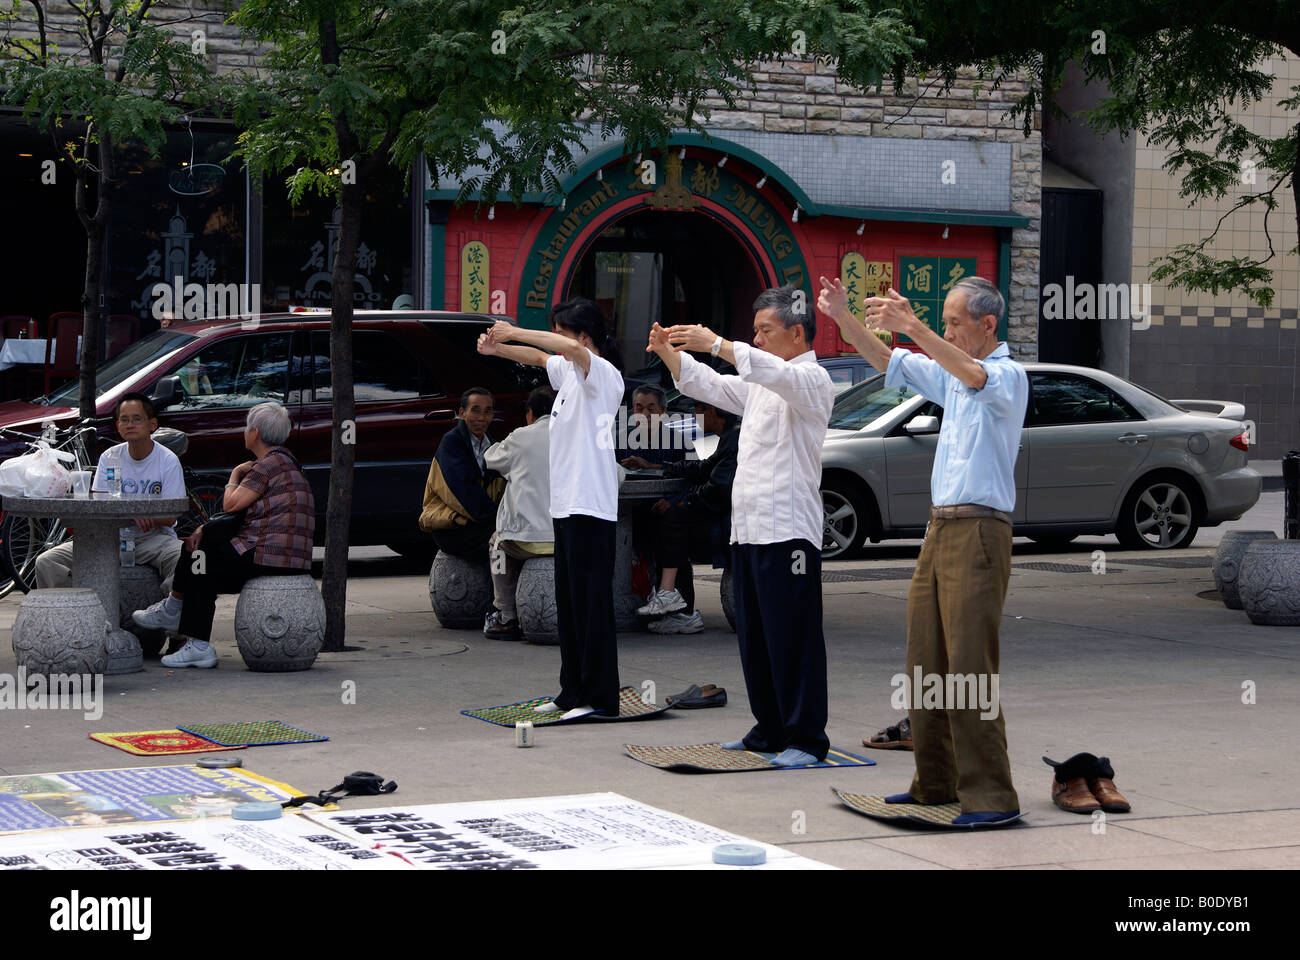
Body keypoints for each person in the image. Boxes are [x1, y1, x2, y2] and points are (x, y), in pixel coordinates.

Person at [818, 273, 1028, 825]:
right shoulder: (952, 376)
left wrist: (913, 326)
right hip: (940, 529)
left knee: (968, 668)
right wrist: (843, 317)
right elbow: (887, 362)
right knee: (925, 661)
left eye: (955, 323)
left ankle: (992, 796)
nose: (949, 331)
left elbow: (974, 374)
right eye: (945, 322)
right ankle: (935, 783)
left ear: (988, 324)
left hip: (980, 530)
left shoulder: (1005, 376)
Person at [650, 284, 834, 766]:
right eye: (753, 332)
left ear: (797, 333)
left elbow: (765, 369)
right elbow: (711, 386)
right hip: (750, 530)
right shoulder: (759, 386)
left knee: (793, 638)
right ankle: (770, 729)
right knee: (756, 638)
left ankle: (806, 740)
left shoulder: (812, 381)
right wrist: (671, 354)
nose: (757, 340)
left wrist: (717, 344)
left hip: (789, 532)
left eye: (765, 331)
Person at [477, 298, 624, 719]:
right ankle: (571, 692)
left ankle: (601, 700)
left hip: (591, 506)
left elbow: (565, 351)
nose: (557, 341)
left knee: (592, 604)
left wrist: (513, 330)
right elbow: (543, 357)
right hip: (565, 505)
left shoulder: (603, 375)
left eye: (563, 332)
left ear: (584, 336)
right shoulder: (569, 378)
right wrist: (498, 349)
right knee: (571, 603)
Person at [132, 401, 314, 669]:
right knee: (203, 561)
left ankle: (185, 625)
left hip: (268, 555)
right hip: (289, 557)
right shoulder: (288, 462)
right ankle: (183, 623)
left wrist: (235, 474)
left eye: (246, 427)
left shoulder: (267, 465)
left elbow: (231, 505)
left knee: (199, 559)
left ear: (254, 434)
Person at [35, 393, 184, 596]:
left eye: (137, 419)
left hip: (153, 540)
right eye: (124, 420)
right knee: (48, 561)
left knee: (184, 558)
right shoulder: (110, 456)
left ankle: (169, 615)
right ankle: (75, 615)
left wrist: (150, 516)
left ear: (152, 424)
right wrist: (133, 514)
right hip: (109, 538)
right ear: (118, 426)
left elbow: (171, 515)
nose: (130, 424)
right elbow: (100, 505)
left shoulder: (167, 460)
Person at [624, 401, 740, 633]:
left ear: (712, 411)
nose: (694, 418)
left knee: (673, 521)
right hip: (717, 515)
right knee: (670, 530)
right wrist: (657, 466)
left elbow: (719, 488)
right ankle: (679, 609)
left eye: (697, 411)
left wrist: (682, 501)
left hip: (727, 525)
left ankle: (674, 600)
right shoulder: (729, 436)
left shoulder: (735, 438)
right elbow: (702, 469)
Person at [482, 386, 555, 641]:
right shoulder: (578, 436)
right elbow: (616, 475)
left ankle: (507, 615)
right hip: (570, 538)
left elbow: (490, 458)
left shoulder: (519, 437)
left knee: (497, 546)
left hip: (522, 541)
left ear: (530, 414)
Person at [417, 388, 505, 561]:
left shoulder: (493, 445)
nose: (481, 418)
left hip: (479, 523)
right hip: (452, 529)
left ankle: (498, 587)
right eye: (475, 410)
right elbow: (463, 492)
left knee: (508, 547)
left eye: (487, 412)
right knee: (503, 546)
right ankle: (495, 588)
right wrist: (499, 523)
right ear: (462, 413)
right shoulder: (452, 442)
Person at [616, 384, 684, 466]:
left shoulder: (678, 441)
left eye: (651, 409)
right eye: (639, 409)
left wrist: (651, 467)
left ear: (663, 412)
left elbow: (692, 471)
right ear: (633, 411)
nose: (644, 414)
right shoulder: (622, 440)